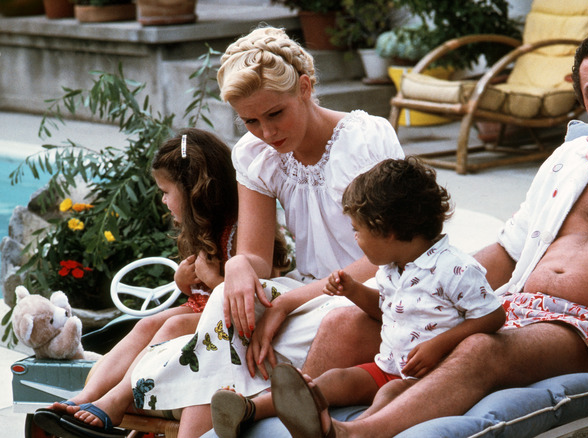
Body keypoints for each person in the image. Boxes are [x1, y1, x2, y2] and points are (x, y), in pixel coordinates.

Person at [237, 27, 588, 438]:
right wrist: (432, 281)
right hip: (515, 305)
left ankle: (358, 435)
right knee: (349, 321)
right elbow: (509, 246)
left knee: (478, 350)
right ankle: (267, 415)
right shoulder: (570, 157)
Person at [39, 25, 405, 438]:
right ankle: (139, 410)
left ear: (305, 87)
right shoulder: (256, 154)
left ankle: (132, 404)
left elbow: (386, 254)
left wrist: (282, 304)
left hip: (366, 294)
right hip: (305, 292)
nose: (267, 133)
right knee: (222, 303)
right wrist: (239, 273)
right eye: (251, 121)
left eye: (275, 114)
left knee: (233, 322)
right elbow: (253, 257)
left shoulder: (364, 138)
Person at [209, 157, 505, 438]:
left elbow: (493, 316)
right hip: (387, 366)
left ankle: (350, 431)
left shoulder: (454, 268)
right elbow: (386, 310)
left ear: (387, 231)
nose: (355, 239)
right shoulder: (392, 268)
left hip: (427, 377)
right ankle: (250, 410)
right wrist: (353, 291)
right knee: (335, 379)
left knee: (389, 394)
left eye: (357, 230)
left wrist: (438, 345)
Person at [36, 128, 286, 433]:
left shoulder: (241, 229)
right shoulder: (205, 226)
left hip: (235, 320)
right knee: (145, 324)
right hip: (204, 310)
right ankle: (87, 395)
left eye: (166, 192)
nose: (164, 201)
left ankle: (116, 399)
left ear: (195, 190)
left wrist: (215, 278)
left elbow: (266, 289)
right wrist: (184, 281)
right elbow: (199, 291)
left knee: (171, 326)